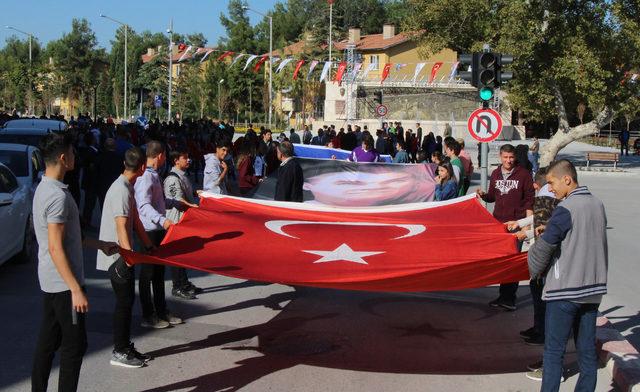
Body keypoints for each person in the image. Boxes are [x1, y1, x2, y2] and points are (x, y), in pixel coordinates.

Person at [32, 133, 118, 390]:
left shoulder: (45, 187)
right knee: (74, 346)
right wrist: (75, 289)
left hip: (52, 280)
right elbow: (55, 247)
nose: (75, 157)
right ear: (62, 158)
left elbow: (67, 237)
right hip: (63, 283)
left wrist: (99, 245)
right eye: (71, 153)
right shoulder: (56, 197)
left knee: (48, 342)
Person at [527, 159, 607, 391]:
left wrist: (533, 266)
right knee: (587, 351)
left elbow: (545, 248)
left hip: (565, 291)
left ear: (567, 179)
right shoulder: (597, 203)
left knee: (554, 352)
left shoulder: (566, 209)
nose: (550, 188)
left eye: (552, 182)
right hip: (593, 290)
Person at [97, 147, 155, 368]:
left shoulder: (127, 186)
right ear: (141, 167)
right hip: (118, 258)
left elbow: (136, 220)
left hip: (123, 255)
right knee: (124, 303)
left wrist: (149, 245)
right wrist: (129, 257)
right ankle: (119, 351)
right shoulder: (121, 189)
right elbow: (121, 225)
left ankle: (124, 346)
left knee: (128, 302)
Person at [505, 168, 559, 347]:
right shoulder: (549, 196)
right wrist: (520, 224)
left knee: (539, 292)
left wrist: (526, 234)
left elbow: (543, 227)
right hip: (544, 252)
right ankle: (538, 328)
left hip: (543, 254)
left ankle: (541, 331)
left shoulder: (545, 196)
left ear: (537, 184)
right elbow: (540, 220)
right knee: (537, 291)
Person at [477, 144, 535, 311]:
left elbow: (530, 199)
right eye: (505, 157)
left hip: (516, 225)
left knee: (512, 261)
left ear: (515, 157)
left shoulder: (523, 174)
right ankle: (503, 296)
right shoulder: (495, 173)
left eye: (511, 157)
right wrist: (483, 195)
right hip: (498, 224)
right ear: (500, 157)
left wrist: (527, 225)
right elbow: (492, 196)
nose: (509, 160)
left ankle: (510, 299)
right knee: (501, 261)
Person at [135, 141, 183, 328]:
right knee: (148, 274)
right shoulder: (146, 176)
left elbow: (157, 201)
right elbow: (144, 205)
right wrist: (162, 220)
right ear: (160, 155)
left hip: (157, 229)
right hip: (149, 230)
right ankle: (148, 314)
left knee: (158, 273)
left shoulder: (153, 174)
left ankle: (161, 309)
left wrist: (175, 203)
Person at [163, 149, 202, 300]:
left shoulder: (183, 175)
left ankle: (184, 283)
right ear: (176, 161)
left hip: (183, 220)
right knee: (176, 256)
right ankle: (177, 286)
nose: (188, 160)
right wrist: (196, 208)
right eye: (185, 157)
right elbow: (178, 200)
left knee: (183, 253)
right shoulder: (173, 179)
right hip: (175, 220)